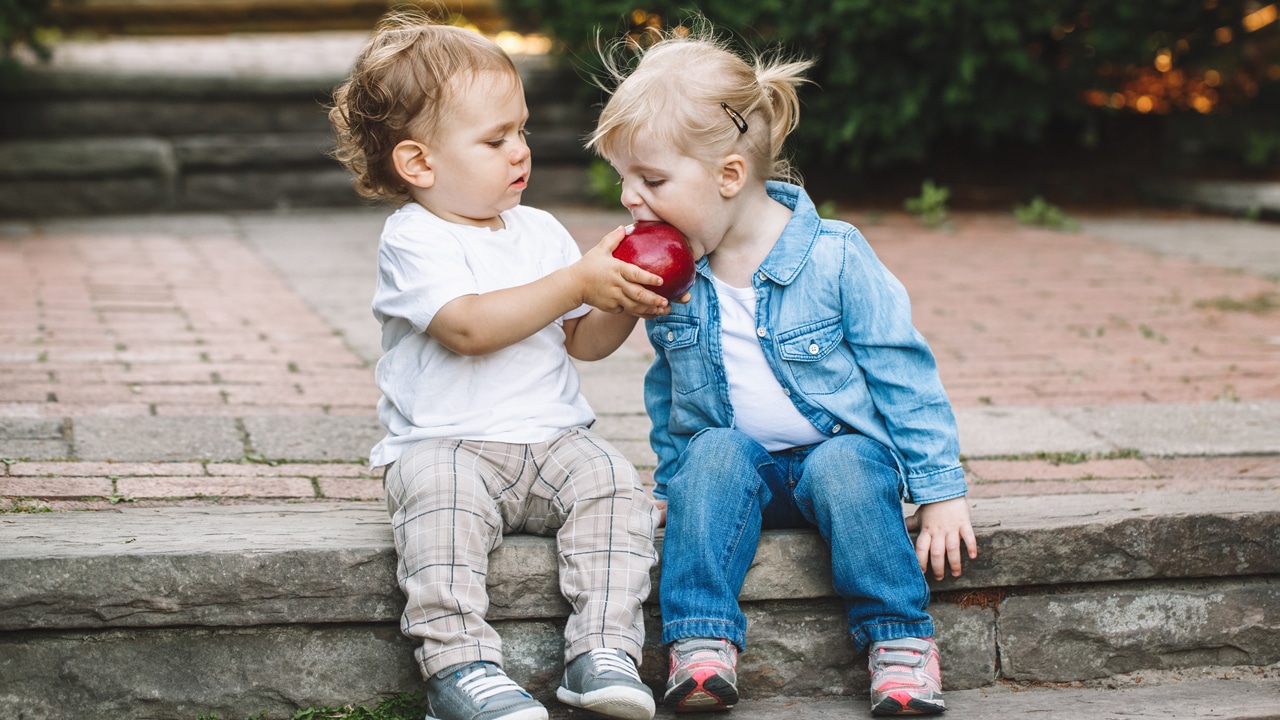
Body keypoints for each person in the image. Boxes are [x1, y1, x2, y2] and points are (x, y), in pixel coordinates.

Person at [588, 24, 979, 717]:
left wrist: (940, 490)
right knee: (710, 454)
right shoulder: (680, 275)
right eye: (625, 179)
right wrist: (675, 482)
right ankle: (701, 644)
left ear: (729, 176)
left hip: (838, 463)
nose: (629, 198)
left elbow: (903, 372)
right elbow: (671, 388)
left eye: (650, 180)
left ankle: (900, 642)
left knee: (850, 464)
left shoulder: (835, 255)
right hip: (744, 472)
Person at [329, 13, 674, 720]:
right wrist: (576, 282)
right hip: (446, 446)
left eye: (520, 130)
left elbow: (582, 342)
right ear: (418, 163)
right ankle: (460, 668)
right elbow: (467, 327)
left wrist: (622, 299)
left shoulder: (539, 229)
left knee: (613, 483)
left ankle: (601, 650)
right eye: (494, 140)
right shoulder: (415, 239)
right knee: (438, 506)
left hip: (552, 440)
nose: (520, 151)